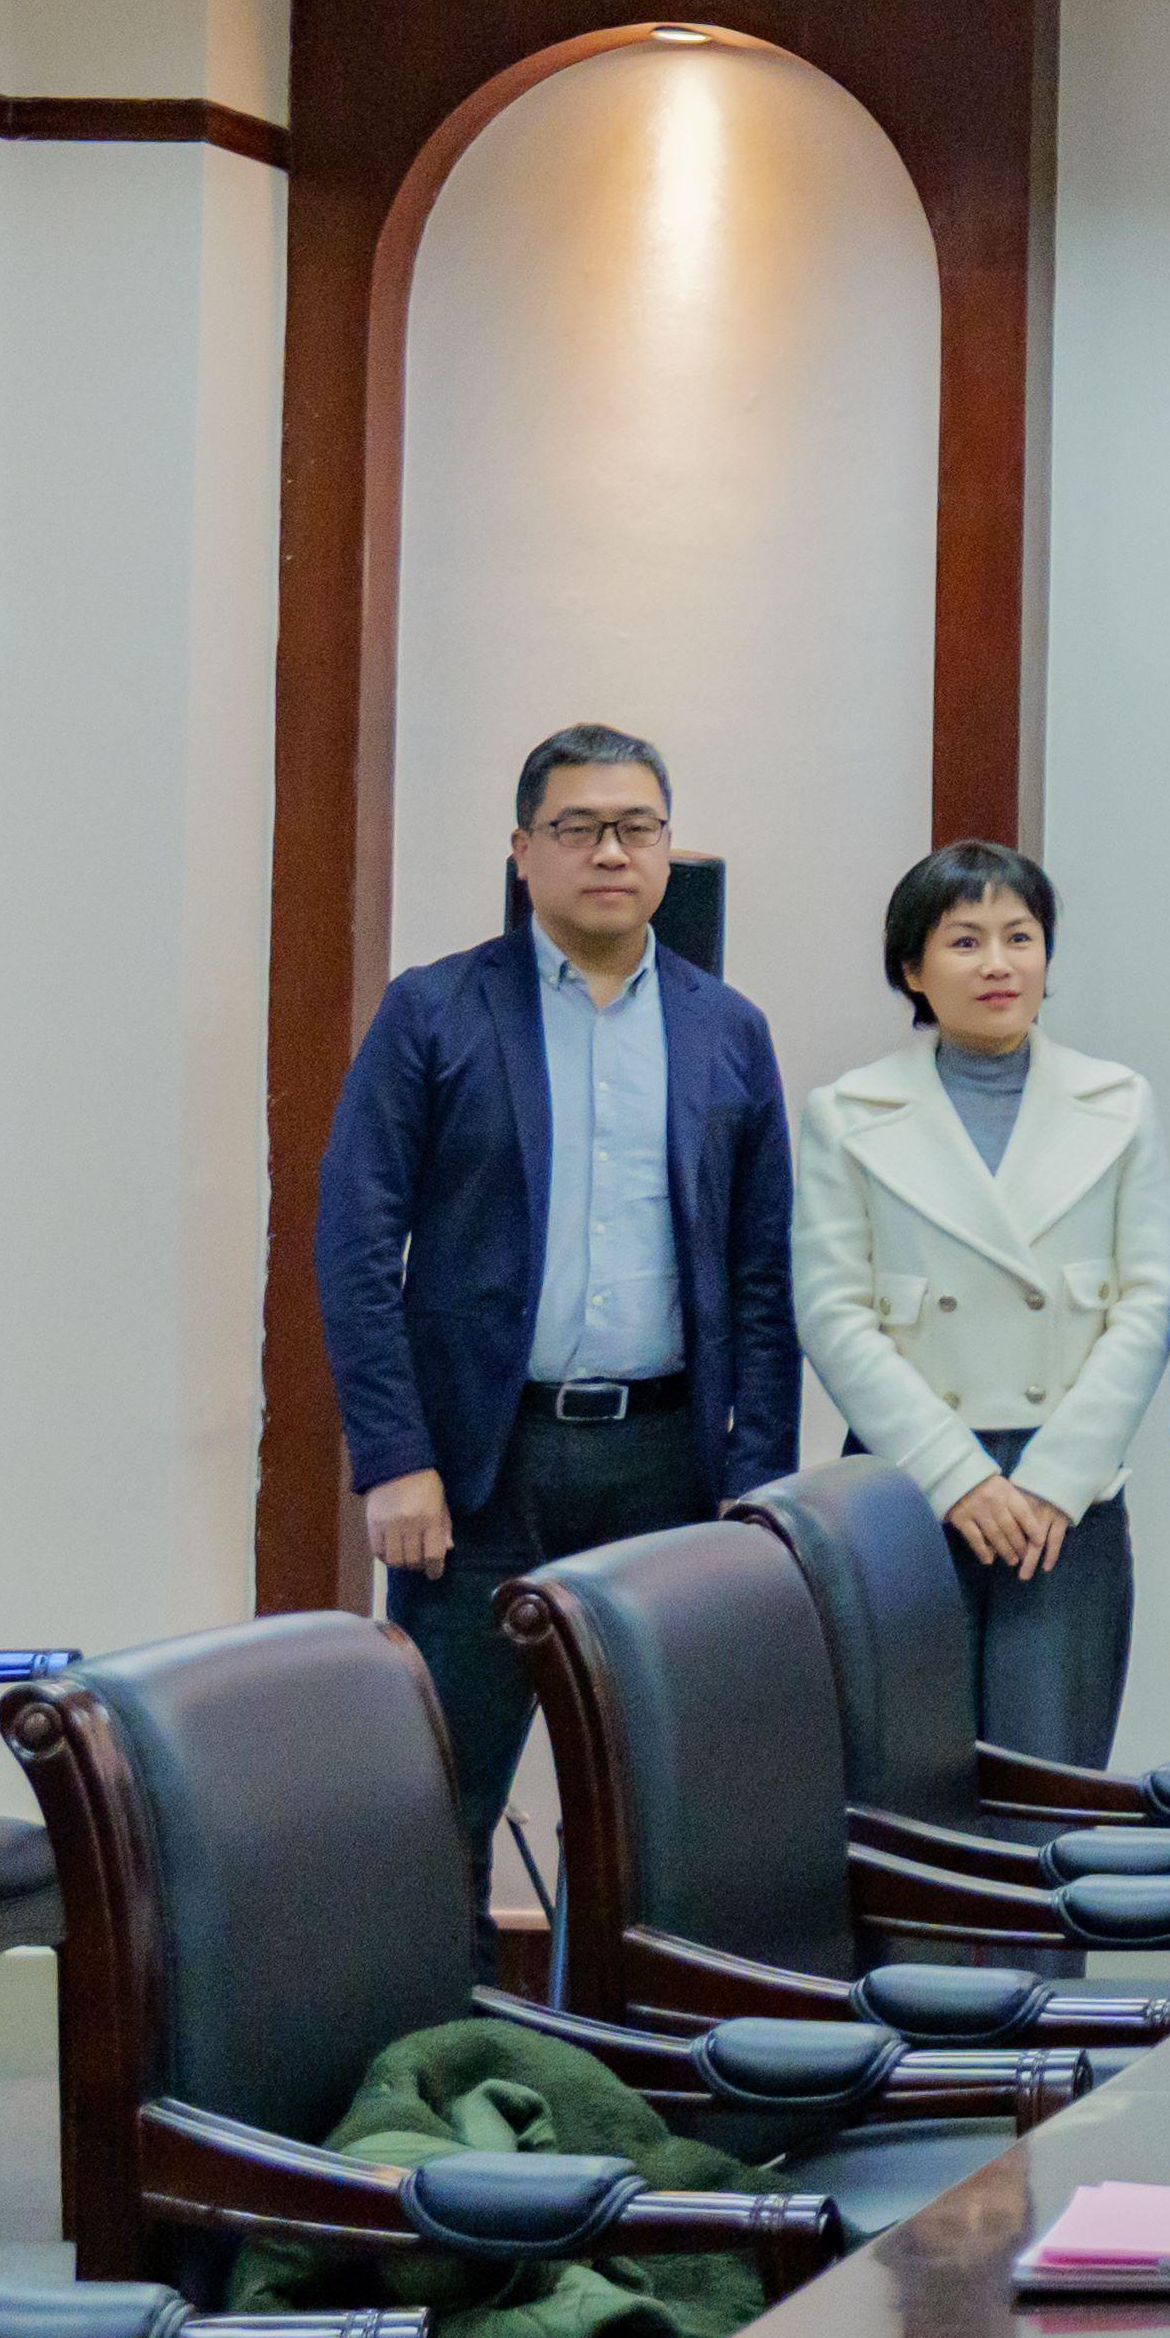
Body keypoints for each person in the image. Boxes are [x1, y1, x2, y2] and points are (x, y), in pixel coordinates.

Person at [315, 723, 798, 1866]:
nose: (609, 852)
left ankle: (618, 1994)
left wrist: (756, 1486)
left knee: (656, 1814)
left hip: (668, 1468)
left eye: (635, 827)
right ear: (523, 851)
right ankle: (447, 1995)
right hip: (479, 1476)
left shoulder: (727, 1030)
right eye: (576, 828)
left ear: (668, 848)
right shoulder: (433, 1012)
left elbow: (764, 1277)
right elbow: (356, 1244)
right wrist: (393, 1456)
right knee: (439, 1805)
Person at [794, 842, 1170, 1767]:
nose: (998, 963)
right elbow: (833, 1313)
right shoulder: (847, 1111)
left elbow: (1148, 1302)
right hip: (903, 1486)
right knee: (906, 1787)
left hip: (1064, 1500)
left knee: (1048, 1784)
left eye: (1020, 936)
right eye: (965, 941)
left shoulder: (1118, 1102)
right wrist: (955, 1474)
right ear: (912, 968)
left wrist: (1056, 1477)